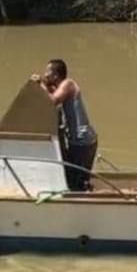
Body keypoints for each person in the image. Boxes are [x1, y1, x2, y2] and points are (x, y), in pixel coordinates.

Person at [30, 59, 98, 191]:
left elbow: (52, 101)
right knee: (73, 176)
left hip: (82, 141)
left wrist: (40, 84)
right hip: (77, 140)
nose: (45, 74)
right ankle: (84, 189)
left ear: (56, 75)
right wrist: (44, 85)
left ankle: (82, 196)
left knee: (75, 182)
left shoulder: (68, 84)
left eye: (48, 72)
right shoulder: (59, 87)